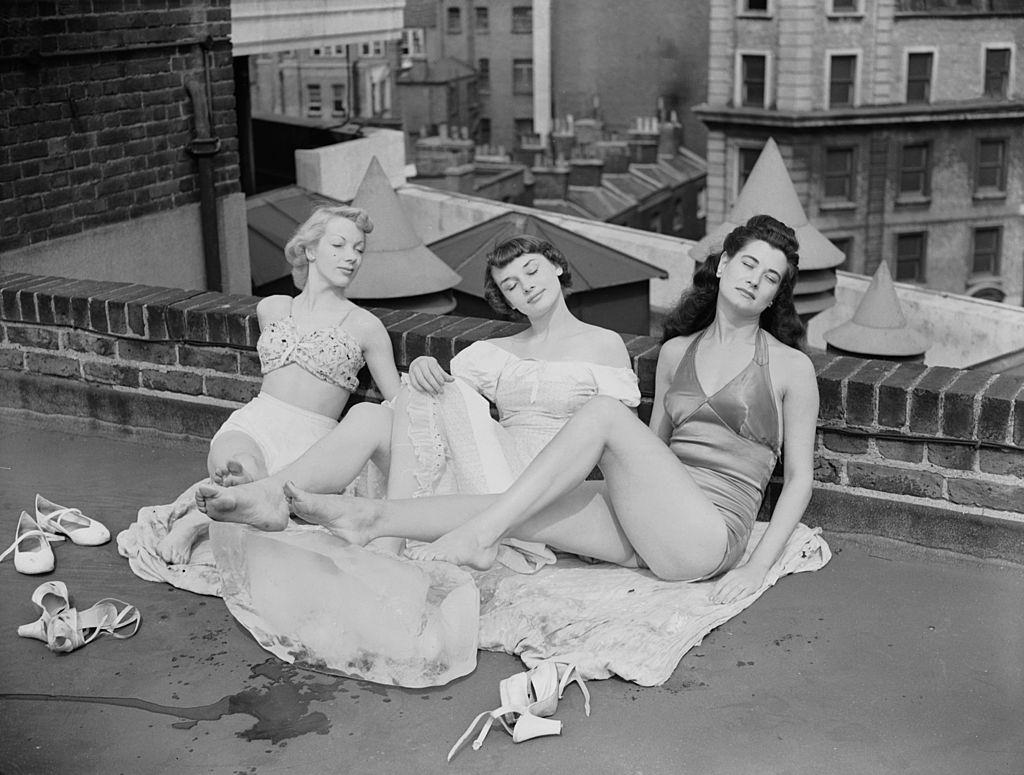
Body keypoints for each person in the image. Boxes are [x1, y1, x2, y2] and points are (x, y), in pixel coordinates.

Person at [288, 214, 819, 604]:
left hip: (710, 538)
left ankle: (479, 537)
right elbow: (653, 452)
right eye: (748, 263)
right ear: (724, 265)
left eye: (770, 277)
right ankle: (372, 518)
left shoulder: (791, 367)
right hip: (656, 526)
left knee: (605, 414)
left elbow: (798, 479)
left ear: (775, 296)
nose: (754, 279)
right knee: (523, 504)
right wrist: (609, 504)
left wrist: (756, 569)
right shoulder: (678, 351)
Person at [194, 234, 641, 569]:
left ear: (556, 268)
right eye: (509, 285)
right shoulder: (497, 352)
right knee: (379, 410)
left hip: (542, 482)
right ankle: (277, 495)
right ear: (505, 301)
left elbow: (622, 442)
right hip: (488, 467)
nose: (525, 287)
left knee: (421, 392)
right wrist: (427, 364)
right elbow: (425, 406)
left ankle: (386, 539)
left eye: (531, 271)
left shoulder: (604, 345)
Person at [156, 205, 401, 563]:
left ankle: (196, 522)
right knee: (237, 462)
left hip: (314, 441)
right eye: (339, 245)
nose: (351, 257)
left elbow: (398, 402)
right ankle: (238, 490)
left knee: (266, 484)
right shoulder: (272, 307)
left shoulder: (365, 325)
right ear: (310, 249)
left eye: (359, 249)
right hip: (256, 421)